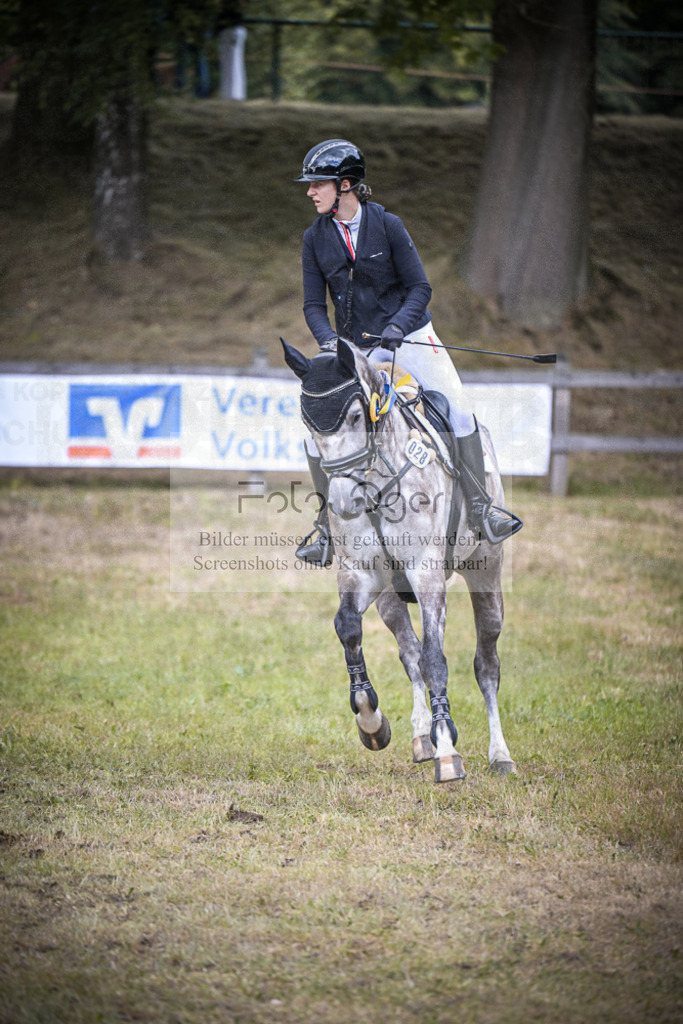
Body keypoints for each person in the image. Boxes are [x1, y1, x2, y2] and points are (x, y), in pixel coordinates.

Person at [294, 138, 522, 565]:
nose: (310, 191)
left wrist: (397, 327)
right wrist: (330, 342)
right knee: (316, 435)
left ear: (345, 185)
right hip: (355, 353)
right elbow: (312, 304)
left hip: (411, 338)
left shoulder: (388, 225)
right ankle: (325, 527)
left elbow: (420, 287)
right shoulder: (314, 238)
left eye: (317, 184)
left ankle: (481, 508)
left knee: (458, 410)